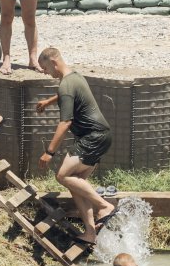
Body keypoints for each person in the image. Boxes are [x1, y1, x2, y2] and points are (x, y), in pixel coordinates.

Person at [34, 47, 115, 244]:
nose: (45, 72)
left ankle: (104, 207)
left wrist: (49, 152)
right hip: (100, 136)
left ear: (53, 62)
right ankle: (90, 233)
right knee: (76, 184)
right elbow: (69, 94)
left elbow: (65, 123)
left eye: (45, 68)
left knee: (63, 175)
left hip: (92, 136)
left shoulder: (65, 85)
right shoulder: (74, 77)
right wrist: (49, 101)